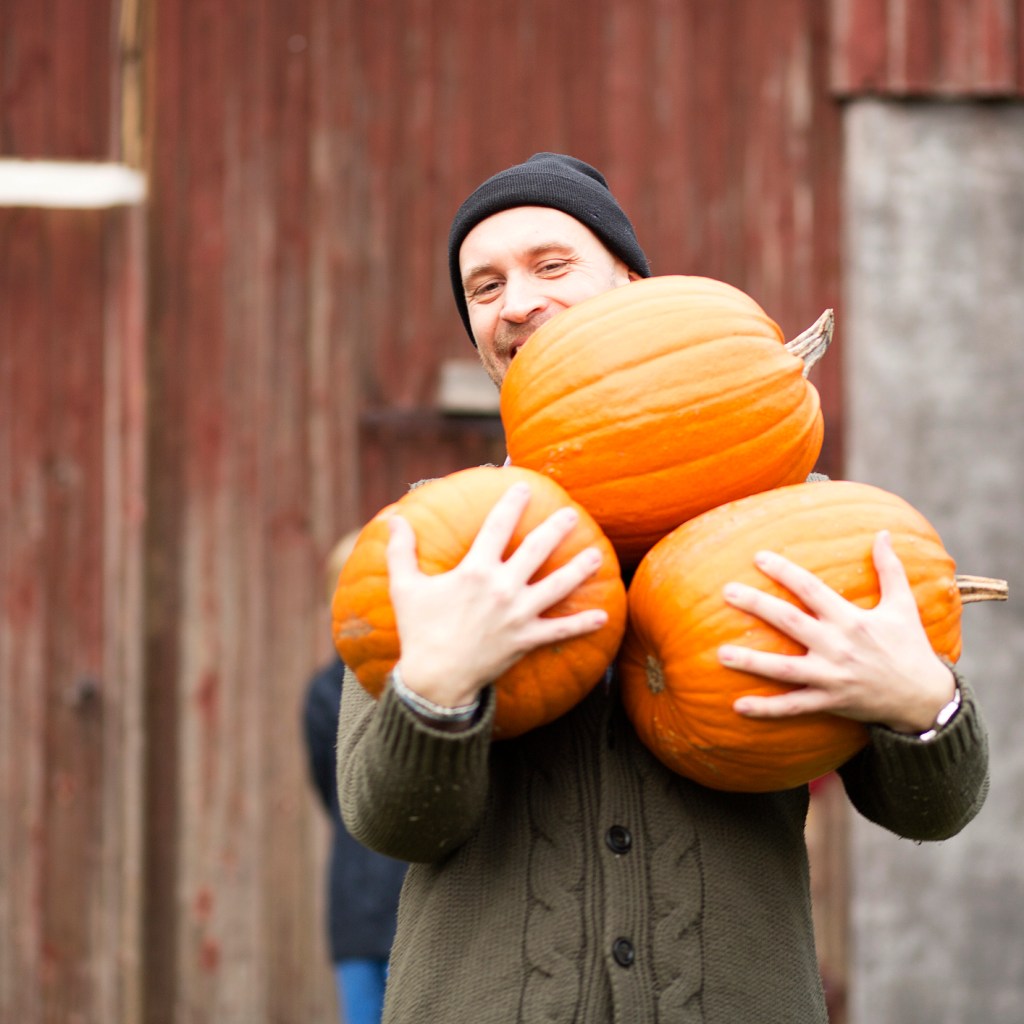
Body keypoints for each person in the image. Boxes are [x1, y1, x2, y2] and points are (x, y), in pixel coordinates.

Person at [336, 153, 989, 1022]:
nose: (517, 301)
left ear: (635, 289)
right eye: (483, 287)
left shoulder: (804, 524)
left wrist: (920, 705)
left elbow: (937, 809)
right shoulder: (438, 542)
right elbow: (388, 822)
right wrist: (440, 690)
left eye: (552, 265)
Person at [303, 533, 407, 1024]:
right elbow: (337, 791)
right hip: (359, 903)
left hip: (419, 901)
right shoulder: (326, 693)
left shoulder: (427, 682)